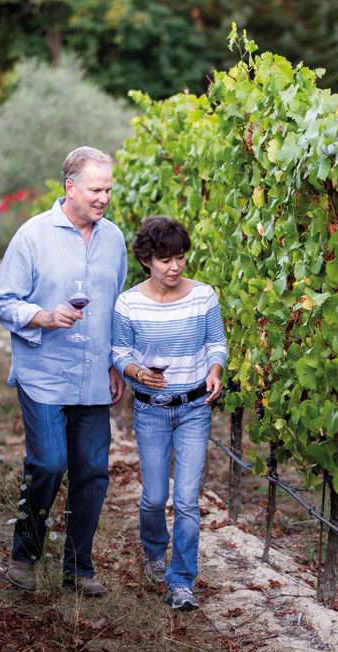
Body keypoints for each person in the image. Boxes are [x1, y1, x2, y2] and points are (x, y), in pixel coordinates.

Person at [0, 146, 127, 597]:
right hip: (44, 372)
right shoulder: (32, 237)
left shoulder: (115, 240)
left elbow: (116, 309)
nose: (104, 197)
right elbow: (3, 302)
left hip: (93, 375)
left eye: (108, 189)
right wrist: (46, 317)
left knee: (91, 470)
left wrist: (115, 363)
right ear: (70, 187)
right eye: (96, 189)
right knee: (49, 463)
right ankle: (24, 556)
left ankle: (78, 567)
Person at [111, 215, 227, 611]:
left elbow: (217, 343)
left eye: (179, 257)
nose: (174, 267)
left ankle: (181, 581)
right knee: (154, 497)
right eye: (165, 259)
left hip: (195, 407)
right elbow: (120, 352)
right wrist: (136, 372)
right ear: (146, 259)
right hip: (151, 411)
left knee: (188, 499)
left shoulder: (203, 296)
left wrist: (215, 371)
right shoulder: (128, 303)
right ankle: (154, 552)